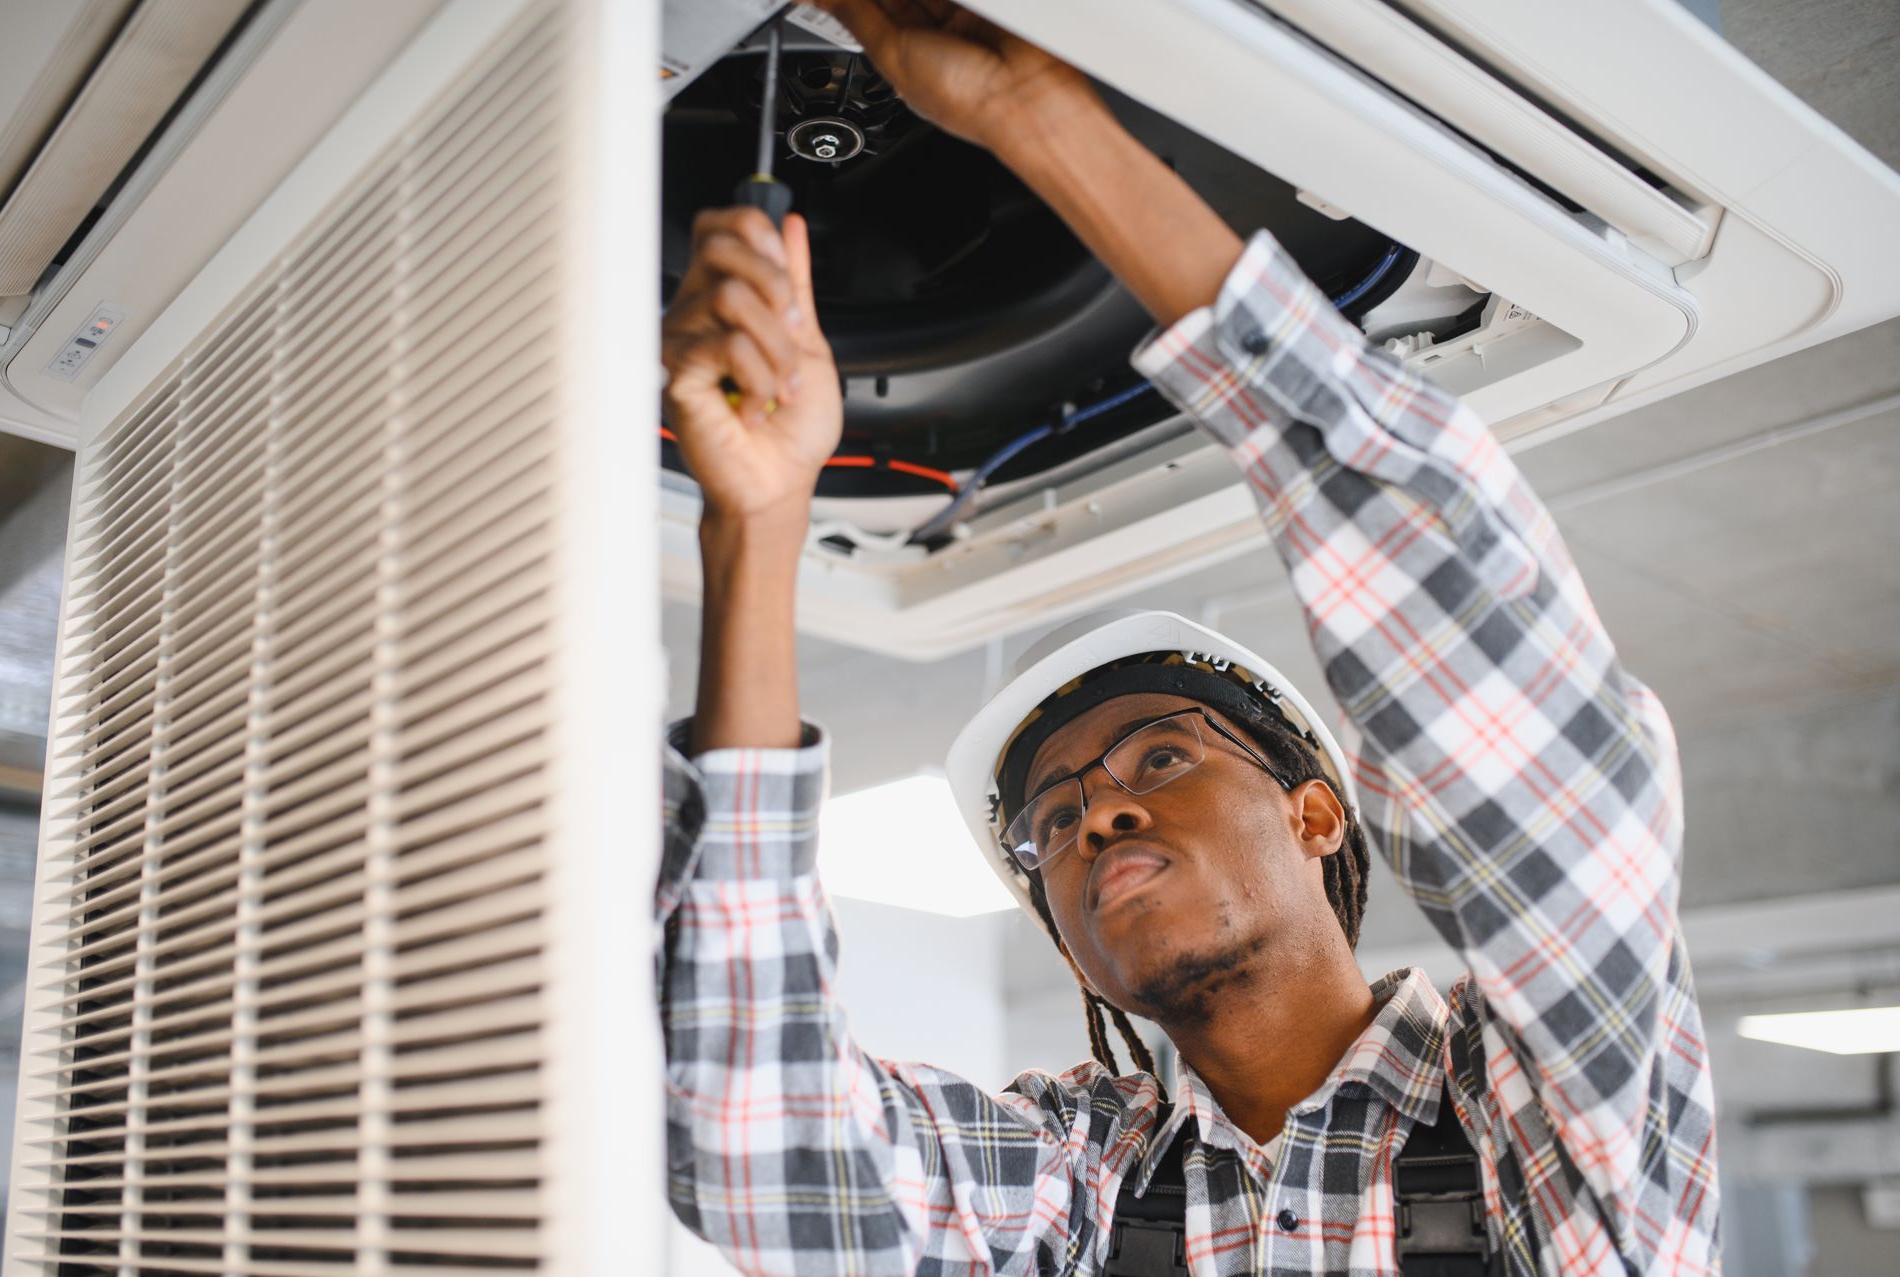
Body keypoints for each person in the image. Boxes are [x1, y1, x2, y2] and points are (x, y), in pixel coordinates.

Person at [655, 2, 1720, 1272]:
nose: (1092, 817)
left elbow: (1527, 762)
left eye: (1159, 758)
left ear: (1320, 814)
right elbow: (763, 1152)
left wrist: (1035, 118)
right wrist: (760, 519)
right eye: (1052, 822)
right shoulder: (1077, 1182)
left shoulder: (1540, 1117)